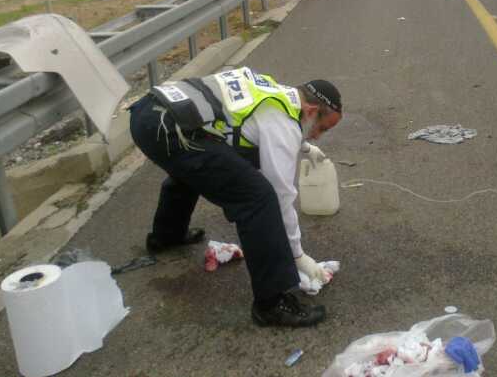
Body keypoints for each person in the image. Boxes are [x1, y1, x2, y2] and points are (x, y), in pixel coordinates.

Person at [129, 67, 343, 327]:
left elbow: (263, 125)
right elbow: (281, 196)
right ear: (310, 111)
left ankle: (168, 235)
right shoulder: (283, 121)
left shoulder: (278, 92)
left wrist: (306, 147)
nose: (318, 134)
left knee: (197, 164)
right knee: (259, 197)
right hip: (168, 128)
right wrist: (297, 254)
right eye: (322, 128)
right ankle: (271, 303)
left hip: (152, 112)